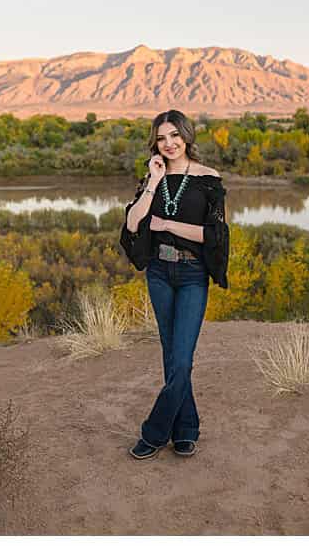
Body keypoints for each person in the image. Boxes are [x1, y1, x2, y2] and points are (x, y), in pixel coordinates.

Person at [120, 109, 229, 459]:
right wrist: (153, 181)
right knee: (171, 356)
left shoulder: (208, 179)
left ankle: (154, 433)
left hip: (193, 274)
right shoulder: (153, 177)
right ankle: (185, 429)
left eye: (174, 136)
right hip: (159, 274)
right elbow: (133, 223)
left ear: (186, 136)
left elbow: (214, 235)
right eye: (161, 138)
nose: (168, 144)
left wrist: (167, 226)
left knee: (182, 360)